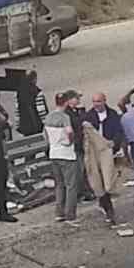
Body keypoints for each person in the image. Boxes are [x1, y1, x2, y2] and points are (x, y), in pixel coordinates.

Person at [44, 92, 81, 224]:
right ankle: (70, 214)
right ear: (66, 102)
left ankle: (59, 213)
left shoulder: (49, 117)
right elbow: (70, 131)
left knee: (59, 185)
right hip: (66, 154)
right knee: (71, 185)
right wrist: (71, 141)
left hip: (54, 154)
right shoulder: (64, 117)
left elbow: (46, 137)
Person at [82, 115, 118, 225]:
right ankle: (107, 207)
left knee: (105, 180)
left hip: (102, 152)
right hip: (90, 153)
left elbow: (117, 131)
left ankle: (108, 208)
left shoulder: (111, 115)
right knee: (96, 181)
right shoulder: (88, 118)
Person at [85, 91, 125, 160]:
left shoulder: (112, 114)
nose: (96, 104)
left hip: (110, 150)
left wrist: (114, 142)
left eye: (98, 101)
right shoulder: (88, 116)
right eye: (94, 102)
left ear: (104, 101)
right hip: (94, 151)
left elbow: (119, 131)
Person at [16, 69, 48, 137]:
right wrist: (45, 122)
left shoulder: (18, 93)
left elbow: (17, 110)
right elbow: (41, 110)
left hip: (24, 125)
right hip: (36, 124)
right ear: (34, 79)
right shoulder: (37, 92)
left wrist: (18, 124)